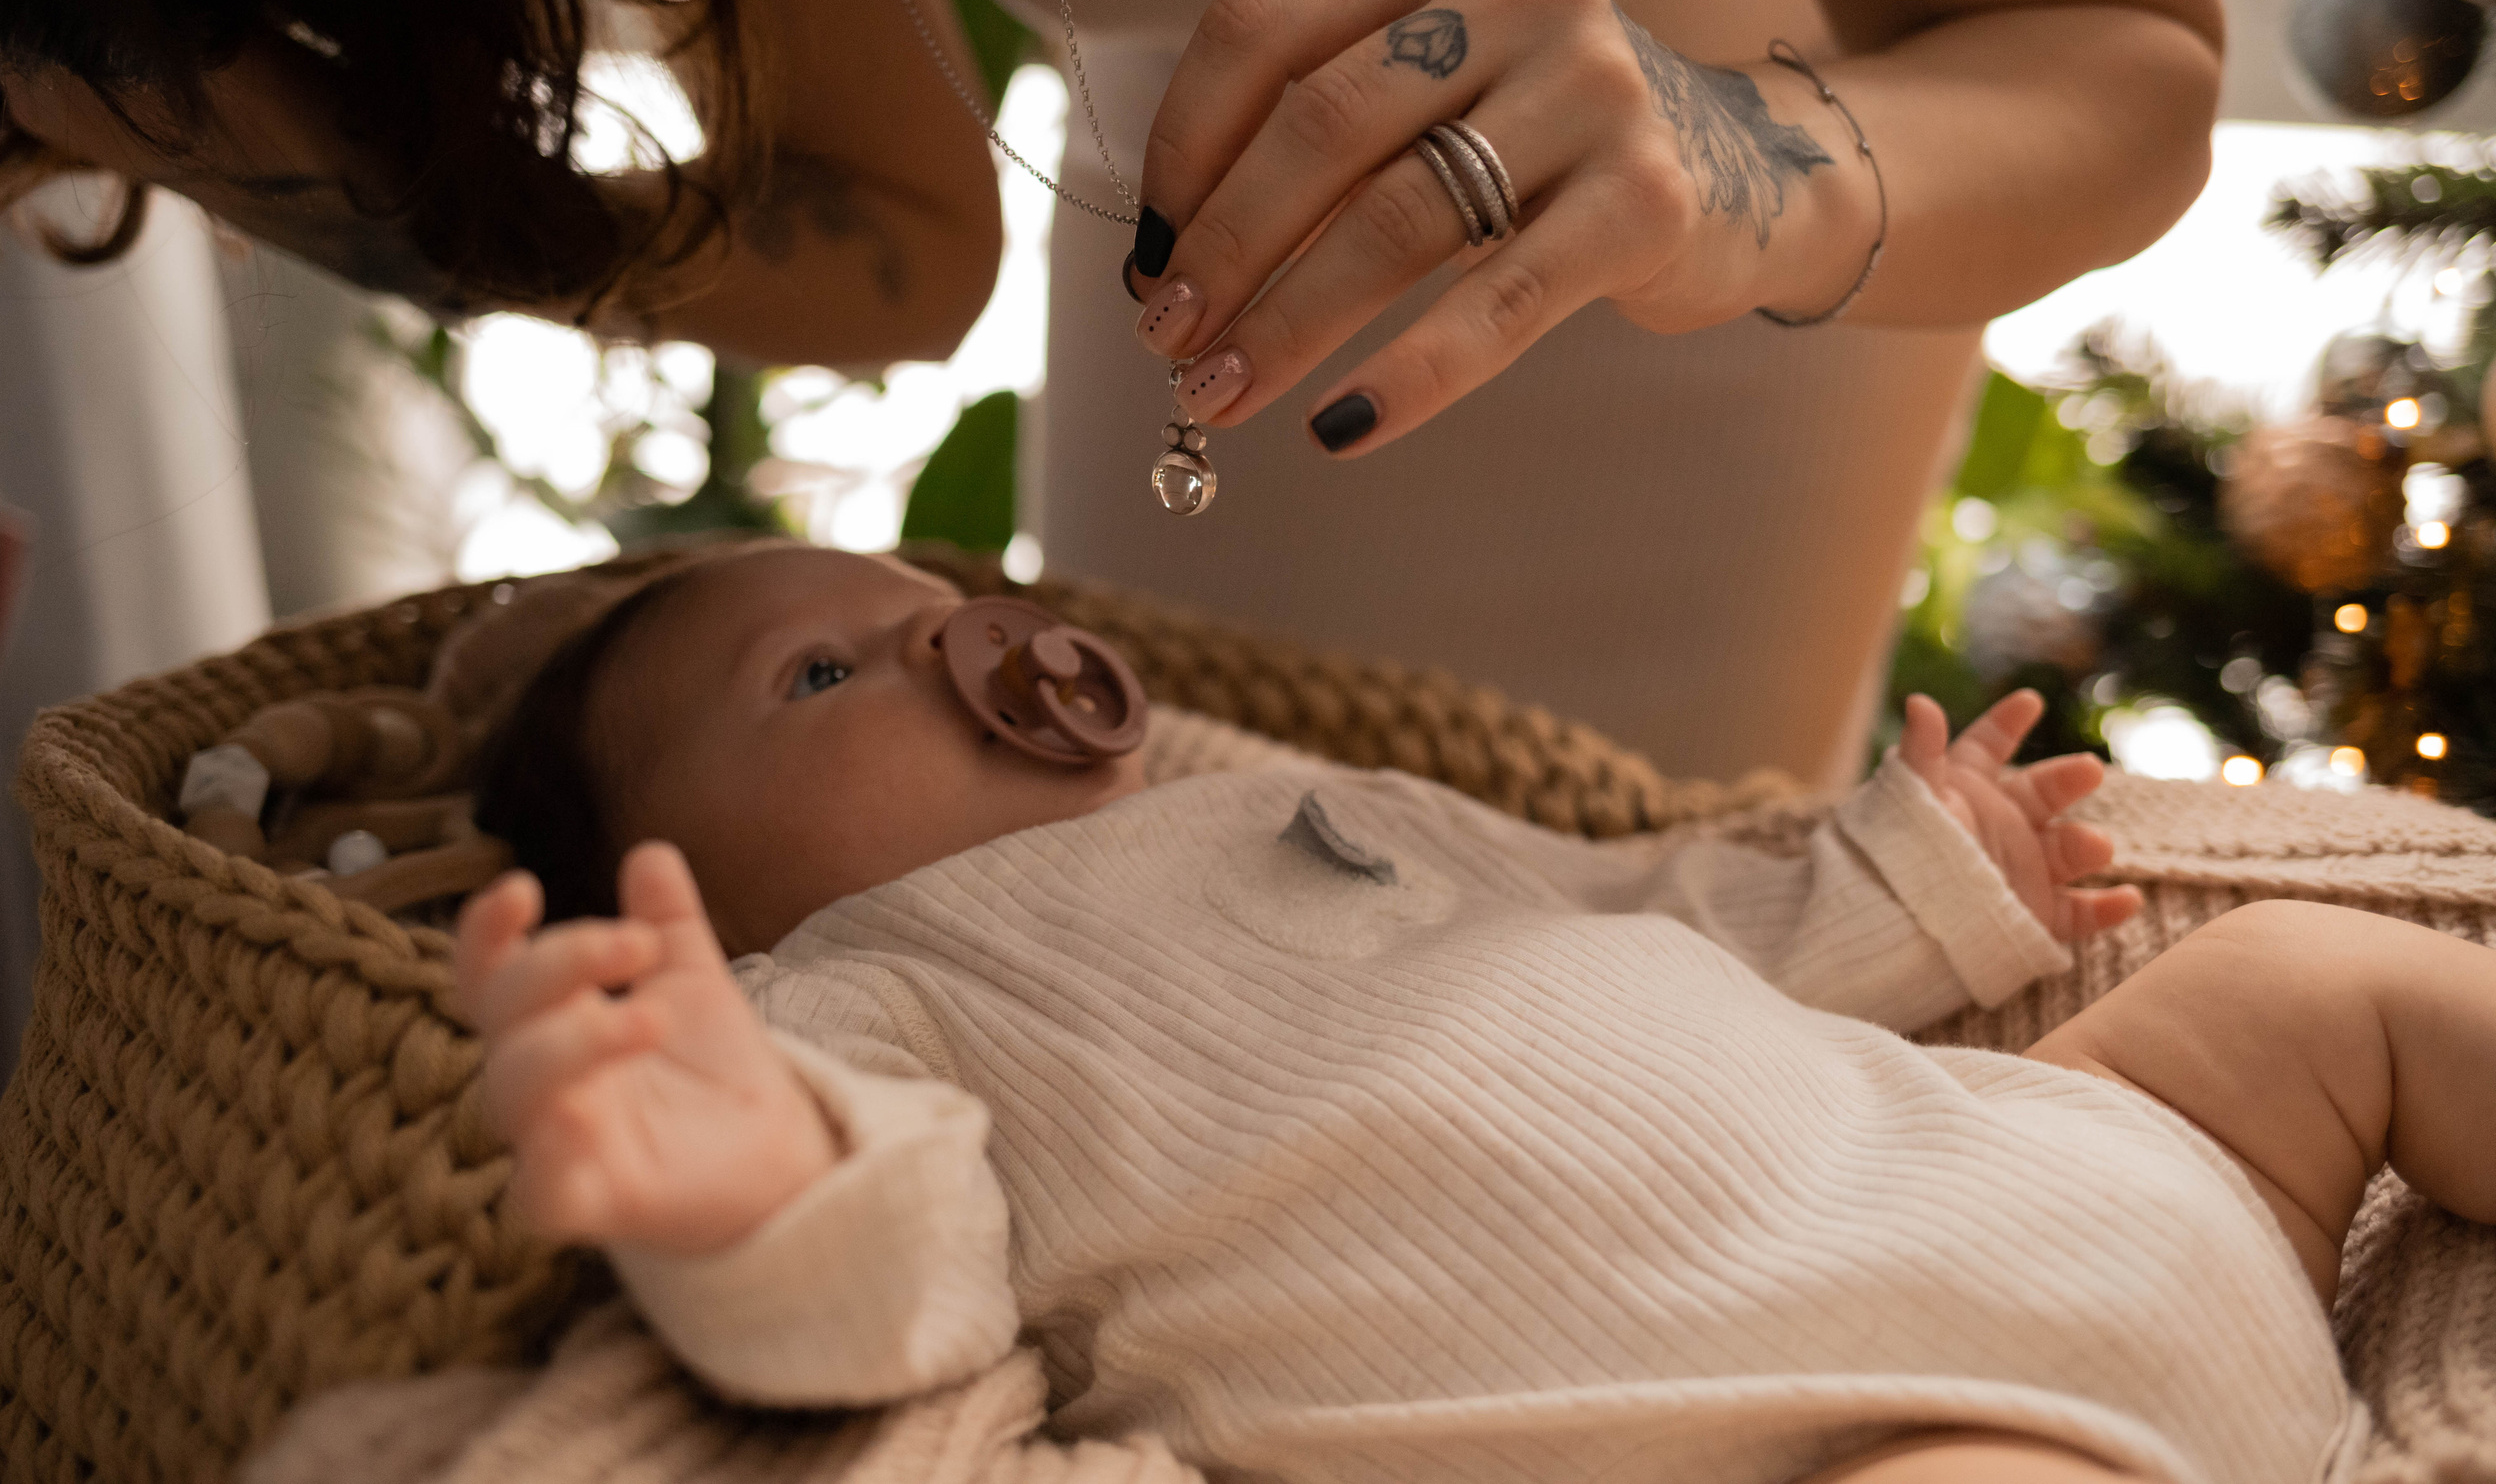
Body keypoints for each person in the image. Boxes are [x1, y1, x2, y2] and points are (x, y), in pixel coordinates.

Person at [0, 0, 2223, 782]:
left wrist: (1732, 157)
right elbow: (895, 247)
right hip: (1220, 265)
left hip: (1737, 274)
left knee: (1665, 1022)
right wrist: (173, 108)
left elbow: (2118, 51)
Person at [453, 538, 2492, 1484]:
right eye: (820, 680)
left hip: (2058, 1162)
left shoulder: (1297, 803)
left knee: (2306, 977)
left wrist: (1907, 877)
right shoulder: (859, 996)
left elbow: (1656, 903)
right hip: (1880, 1418)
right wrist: (742, 1179)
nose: (933, 652)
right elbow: (886, 1266)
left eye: (922, 613)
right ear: (700, 904)